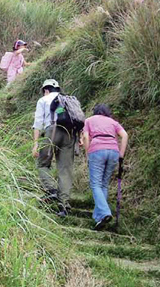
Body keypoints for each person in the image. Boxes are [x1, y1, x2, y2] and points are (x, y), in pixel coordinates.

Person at [80, 104, 128, 230]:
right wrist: (121, 155)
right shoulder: (113, 122)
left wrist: (88, 153)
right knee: (104, 185)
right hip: (113, 151)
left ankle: (105, 212)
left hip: (97, 150)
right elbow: (124, 135)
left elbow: (85, 137)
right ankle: (99, 217)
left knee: (95, 184)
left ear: (95, 112)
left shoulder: (89, 120)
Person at [32, 79, 75, 217]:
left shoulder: (43, 100)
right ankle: (64, 206)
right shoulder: (66, 100)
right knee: (65, 169)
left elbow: (38, 123)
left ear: (46, 90)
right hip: (70, 133)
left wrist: (35, 143)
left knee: (42, 164)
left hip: (52, 130)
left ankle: (52, 190)